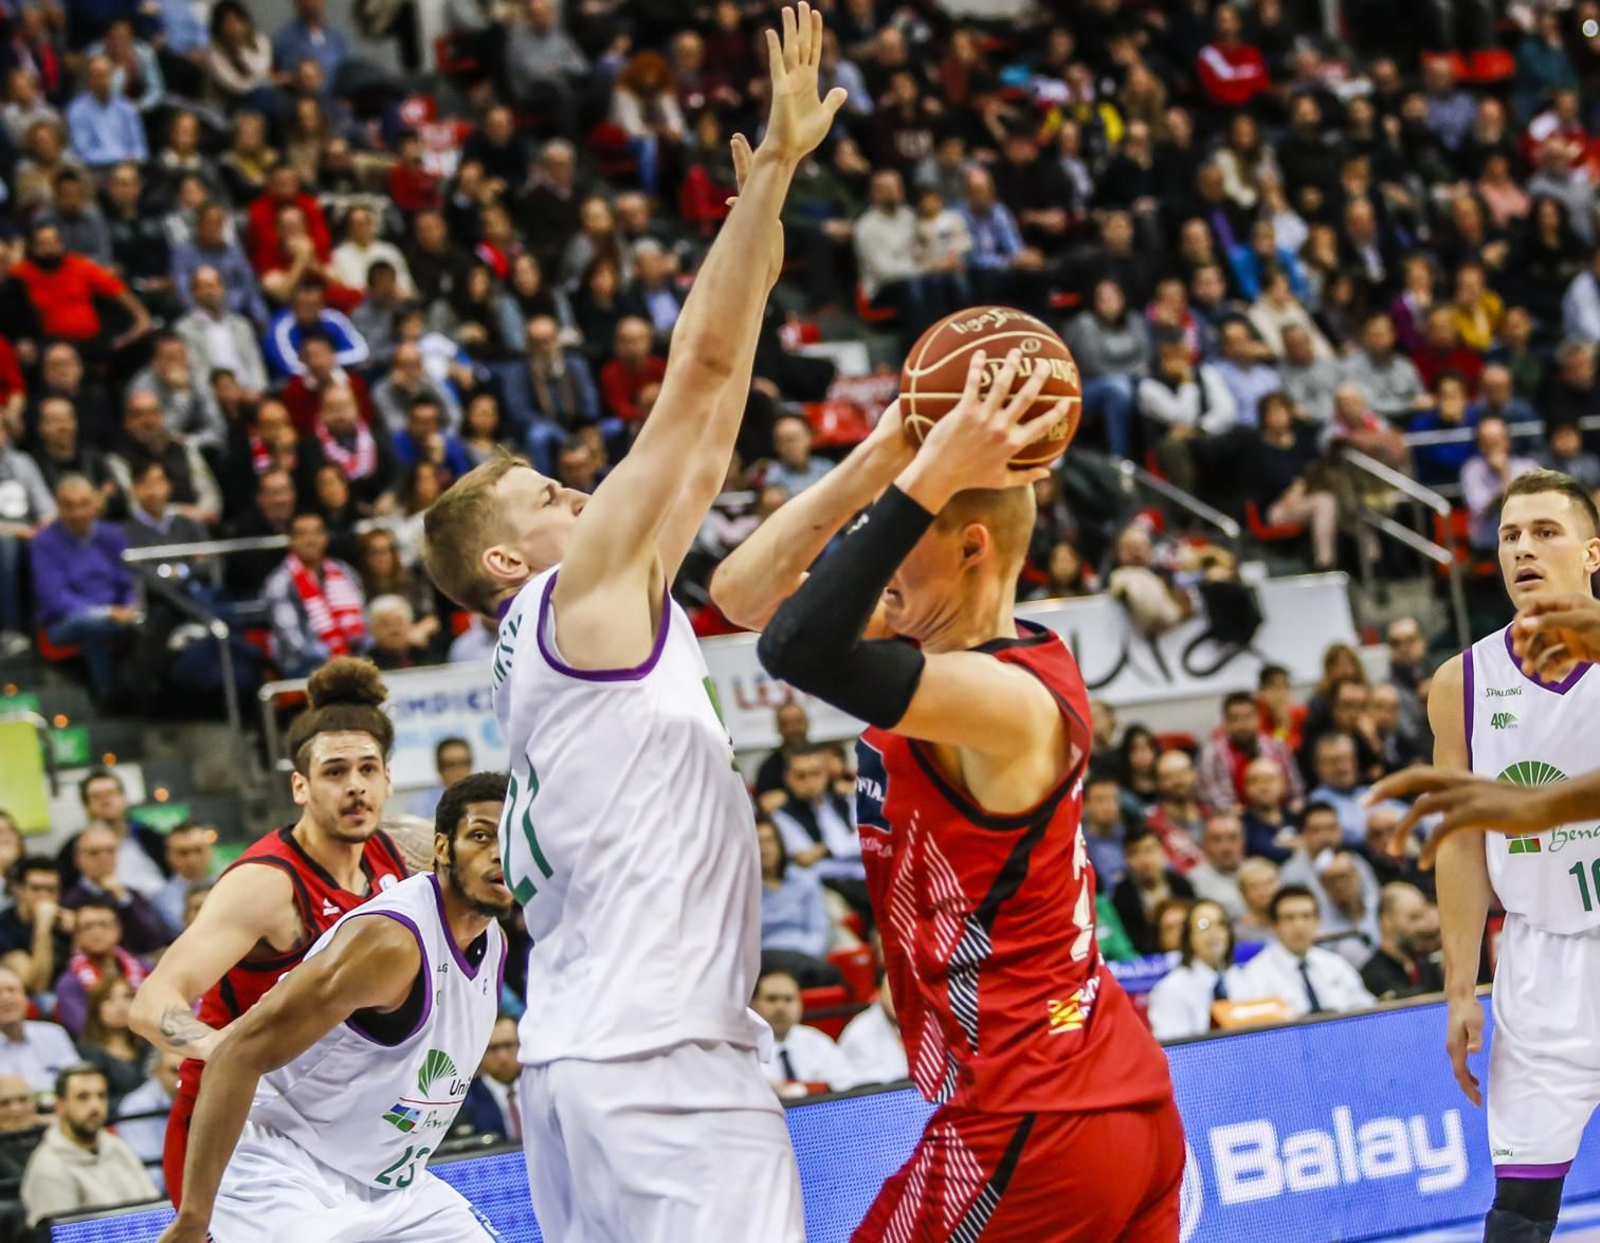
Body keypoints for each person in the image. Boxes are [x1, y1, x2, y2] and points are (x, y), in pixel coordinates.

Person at [418, 15, 846, 1240]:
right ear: (506, 559)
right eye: (551, 496)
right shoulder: (577, 598)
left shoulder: (578, 631)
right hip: (662, 1062)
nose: (580, 494)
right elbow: (694, 379)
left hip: (583, 1059)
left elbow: (711, 432)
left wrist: (761, 230)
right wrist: (769, 168)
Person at [717, 350, 1182, 1236]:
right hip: (1097, 1096)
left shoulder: (1008, 699)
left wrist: (925, 478)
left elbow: (796, 649)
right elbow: (744, 598)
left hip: (1035, 1115)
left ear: (971, 546)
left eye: (900, 533)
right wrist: (885, 450)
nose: (874, 559)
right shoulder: (943, 650)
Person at [157, 773, 508, 1243]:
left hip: (391, 1184)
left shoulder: (494, 941)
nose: (500, 854)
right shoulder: (390, 942)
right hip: (284, 1166)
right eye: (481, 836)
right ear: (442, 848)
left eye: (511, 838)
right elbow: (233, 1055)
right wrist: (193, 1219)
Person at [128, 658, 410, 1208]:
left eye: (367, 769)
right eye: (335, 772)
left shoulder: (392, 854)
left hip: (327, 1126)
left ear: (387, 779)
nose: (355, 786)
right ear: (300, 786)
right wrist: (228, 1052)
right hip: (235, 1130)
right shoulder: (266, 884)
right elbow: (150, 1003)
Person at [1409, 469, 1600, 1243]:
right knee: (1520, 1214)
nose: (1524, 548)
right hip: (1539, 963)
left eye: (1546, 532)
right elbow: (1460, 842)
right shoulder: (1461, 682)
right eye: (1511, 535)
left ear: (1592, 553)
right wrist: (1461, 985)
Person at [29, 475, 139, 703]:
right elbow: (55, 599)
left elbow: (130, 579)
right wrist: (106, 613)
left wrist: (131, 604)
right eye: (69, 506)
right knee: (92, 626)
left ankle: (130, 693)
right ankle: (112, 695)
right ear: (58, 507)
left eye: (83, 504)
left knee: (148, 618)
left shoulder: (113, 534)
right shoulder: (43, 542)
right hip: (64, 622)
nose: (77, 513)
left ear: (96, 504)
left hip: (119, 613)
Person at [20, 1063, 157, 1227]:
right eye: (83, 1097)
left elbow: (154, 1207)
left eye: (101, 1096)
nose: (95, 1106)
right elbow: (59, 1233)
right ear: (60, 1106)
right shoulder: (49, 1165)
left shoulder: (118, 1147)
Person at [1234, 885, 1376, 1018]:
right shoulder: (1256, 974)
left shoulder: (1335, 964)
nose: (1299, 925)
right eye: (1289, 918)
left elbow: (1367, 1008)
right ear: (1274, 925)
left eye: (1306, 916)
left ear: (1317, 921)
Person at [262, 512, 370, 677]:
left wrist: (358, 654)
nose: (311, 540)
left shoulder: (345, 571)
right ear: (291, 540)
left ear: (325, 538)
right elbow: (290, 637)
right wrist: (333, 661)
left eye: (317, 533)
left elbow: (364, 617)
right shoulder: (280, 582)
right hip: (305, 666)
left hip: (353, 658)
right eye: (302, 534)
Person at [1146, 900, 1246, 1041]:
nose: (1214, 933)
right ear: (1189, 937)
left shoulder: (1241, 978)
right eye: (1204, 925)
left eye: (1221, 924)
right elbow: (1175, 1049)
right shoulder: (1170, 990)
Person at [1196, 691, 1306, 816]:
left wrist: (1294, 806)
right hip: (1236, 819)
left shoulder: (1277, 747)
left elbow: (1296, 791)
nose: (1242, 725)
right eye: (1234, 719)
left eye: (1247, 717)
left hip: (1280, 814)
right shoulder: (1212, 755)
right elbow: (1214, 801)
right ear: (1224, 723)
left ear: (1257, 719)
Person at [751, 968, 857, 1096]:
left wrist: (802, 1089)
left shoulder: (816, 1041)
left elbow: (846, 1084)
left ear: (800, 1005)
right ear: (753, 1004)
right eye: (771, 999)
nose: (780, 1007)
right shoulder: (741, 1046)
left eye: (788, 999)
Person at [53, 898, 151, 1035]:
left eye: (103, 925)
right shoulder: (69, 984)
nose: (97, 932)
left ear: (118, 930)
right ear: (76, 936)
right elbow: (82, 1028)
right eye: (87, 927)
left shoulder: (144, 967)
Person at [111, 1048, 182, 1191]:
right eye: (174, 1071)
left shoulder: (197, 1097)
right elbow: (152, 1178)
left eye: (186, 1071)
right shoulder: (136, 1107)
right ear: (155, 1071)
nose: (182, 1079)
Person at [0, 966, 78, 1094]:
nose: (6, 998)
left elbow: (77, 1078)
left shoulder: (54, 1033)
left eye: (12, 990)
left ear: (26, 998)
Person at [75, 974, 149, 1107]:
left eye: (127, 997)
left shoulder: (147, 1045)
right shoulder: (88, 1052)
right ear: (96, 1009)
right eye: (109, 999)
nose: (121, 1006)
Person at [0, 859, 71, 995]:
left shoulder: (65, 917)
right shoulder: (4, 927)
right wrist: (42, 927)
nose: (44, 895)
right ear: (19, 890)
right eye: (36, 889)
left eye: (51, 890)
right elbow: (37, 987)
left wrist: (79, 929)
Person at [1361, 883, 1444, 1001]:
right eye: (1414, 917)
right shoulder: (1374, 974)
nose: (1423, 926)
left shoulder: (1425, 965)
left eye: (1423, 916)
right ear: (1387, 921)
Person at [837, 975, 907, 1088]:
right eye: (893, 991)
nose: (899, 999)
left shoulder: (926, 1021)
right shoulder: (859, 1032)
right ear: (878, 993)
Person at [459, 1015, 521, 1142]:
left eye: (508, 1045)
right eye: (493, 1048)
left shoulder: (542, 1089)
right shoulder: (464, 1100)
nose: (503, 1058)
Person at [151, 825, 215, 941]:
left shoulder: (230, 884)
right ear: (169, 856)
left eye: (198, 850)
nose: (192, 859)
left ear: (210, 851)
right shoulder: (161, 900)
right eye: (183, 853)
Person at [1187, 814, 1248, 921]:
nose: (1226, 847)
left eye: (1233, 838)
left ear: (1243, 841)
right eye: (1217, 839)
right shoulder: (1193, 882)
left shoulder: (1259, 871)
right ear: (1204, 844)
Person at [754, 702, 812, 809]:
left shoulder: (827, 757)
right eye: (787, 724)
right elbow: (766, 803)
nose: (794, 728)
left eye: (798, 721)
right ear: (779, 728)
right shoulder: (769, 768)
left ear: (807, 723)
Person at [408, 739, 474, 820]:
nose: (458, 770)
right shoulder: (422, 803)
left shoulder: (482, 799)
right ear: (439, 768)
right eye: (451, 764)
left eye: (464, 763)